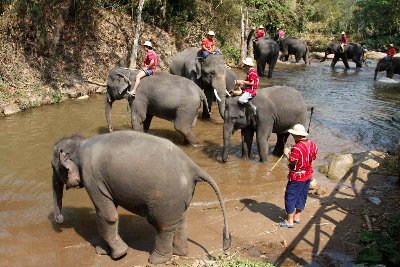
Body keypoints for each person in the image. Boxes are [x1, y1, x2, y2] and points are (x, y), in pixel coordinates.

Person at [279, 124, 318, 228]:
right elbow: (312, 160)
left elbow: (292, 161)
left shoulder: (297, 148)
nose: (292, 136)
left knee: (290, 196)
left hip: (297, 177)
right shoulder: (313, 144)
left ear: (297, 135)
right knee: (302, 195)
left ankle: (289, 221)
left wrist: (287, 152)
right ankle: (297, 216)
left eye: (293, 135)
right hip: (308, 175)